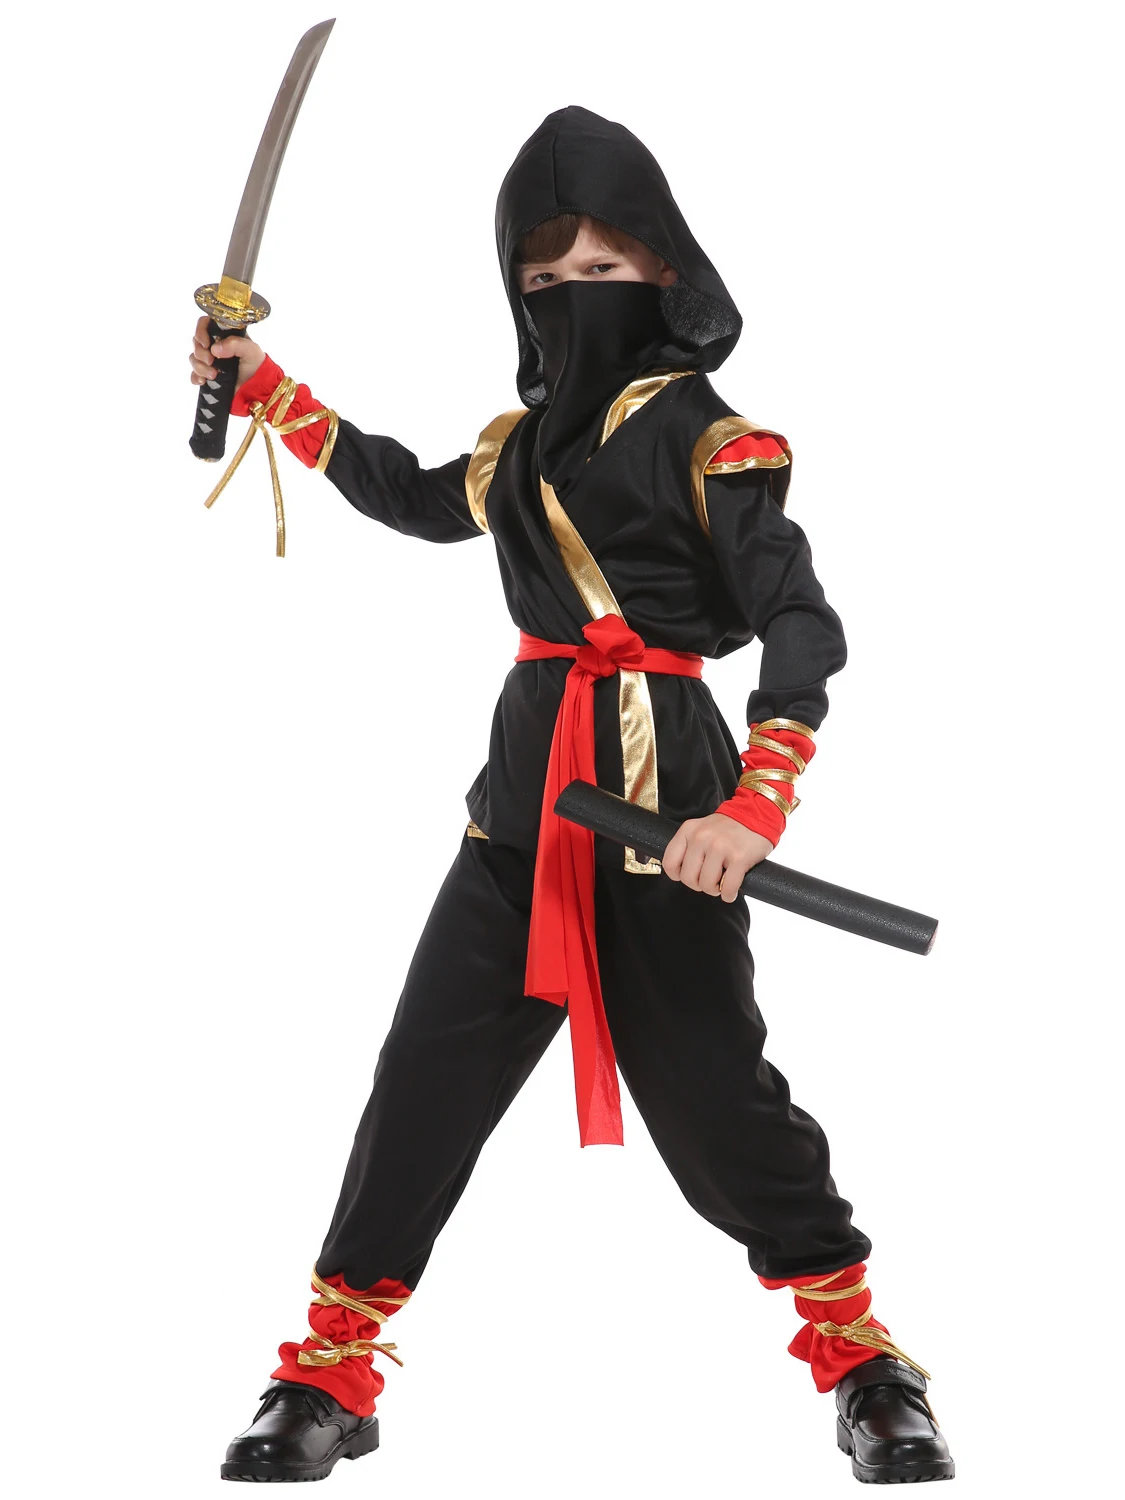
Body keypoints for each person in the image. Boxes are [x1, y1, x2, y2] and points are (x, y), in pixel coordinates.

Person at [193, 105, 954, 1486]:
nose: (571, 292)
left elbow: (801, 627)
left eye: (601, 268)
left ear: (665, 268)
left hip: (669, 820)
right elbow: (409, 493)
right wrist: (269, 389)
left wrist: (754, 810)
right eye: (544, 274)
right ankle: (330, 1372)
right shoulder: (519, 444)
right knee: (421, 1086)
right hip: (519, 815)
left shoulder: (716, 441)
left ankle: (864, 1362)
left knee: (719, 1104)